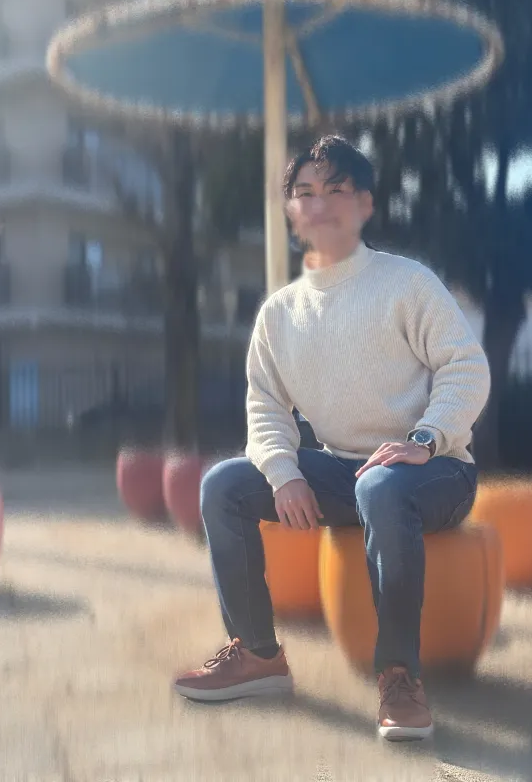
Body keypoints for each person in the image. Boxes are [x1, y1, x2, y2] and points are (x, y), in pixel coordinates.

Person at [173, 135, 491, 742]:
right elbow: (265, 405)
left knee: (381, 488)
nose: (319, 204)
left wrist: (426, 438)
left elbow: (465, 368)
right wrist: (284, 472)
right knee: (223, 486)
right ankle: (258, 655)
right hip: (344, 470)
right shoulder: (279, 314)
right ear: (291, 211)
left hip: (435, 470)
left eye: (336, 189)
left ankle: (399, 676)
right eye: (305, 193)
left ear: (365, 204)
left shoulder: (407, 283)